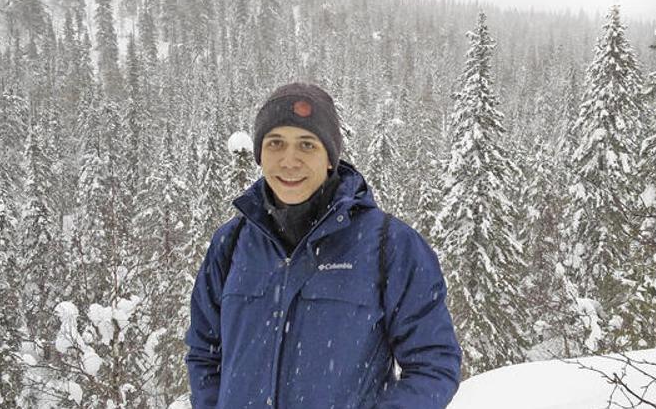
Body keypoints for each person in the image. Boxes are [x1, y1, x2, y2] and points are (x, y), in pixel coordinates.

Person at [185, 82, 462, 408]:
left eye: (306, 145)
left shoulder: (391, 245)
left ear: (330, 157)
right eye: (275, 143)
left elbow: (434, 363)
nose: (289, 161)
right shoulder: (231, 243)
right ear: (260, 154)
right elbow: (205, 353)